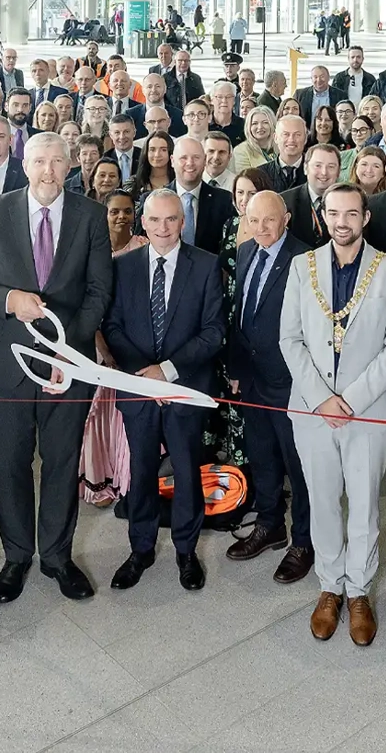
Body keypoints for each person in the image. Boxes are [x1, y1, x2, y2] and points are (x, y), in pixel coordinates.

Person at [0, 132, 114, 605]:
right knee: (8, 464)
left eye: (57, 162)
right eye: (39, 162)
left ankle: (56, 556)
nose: (48, 171)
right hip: (8, 366)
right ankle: (17, 556)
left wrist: (68, 349)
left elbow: (98, 292)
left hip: (67, 366)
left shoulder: (90, 215)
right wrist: (10, 300)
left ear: (71, 167)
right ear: (24, 165)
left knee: (62, 461)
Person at [277, 182, 386, 646]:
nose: (342, 222)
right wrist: (322, 398)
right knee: (322, 500)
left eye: (351, 213)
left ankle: (359, 591)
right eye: (333, 213)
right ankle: (329, 587)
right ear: (322, 217)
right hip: (313, 410)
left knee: (365, 505)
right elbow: (289, 340)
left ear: (365, 218)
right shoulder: (301, 266)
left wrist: (351, 399)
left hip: (368, 410)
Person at [100, 190, 225, 592]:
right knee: (140, 471)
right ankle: (141, 548)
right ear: (143, 222)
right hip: (137, 389)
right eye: (155, 220)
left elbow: (213, 332)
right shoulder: (124, 267)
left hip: (184, 388)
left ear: (183, 222)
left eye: (171, 219)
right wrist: (143, 374)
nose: (163, 228)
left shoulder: (205, 266)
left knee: (187, 471)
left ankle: (186, 551)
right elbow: (113, 326)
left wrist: (166, 371)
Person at [224, 191, 314, 581]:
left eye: (269, 220)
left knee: (300, 466)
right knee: (262, 454)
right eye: (254, 220)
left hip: (292, 381)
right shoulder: (245, 252)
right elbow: (243, 314)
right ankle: (270, 523)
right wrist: (237, 368)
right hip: (254, 380)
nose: (261, 228)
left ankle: (304, 541)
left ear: (287, 218)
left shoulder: (307, 259)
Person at [170, 135, 234, 253]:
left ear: (205, 160)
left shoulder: (225, 201)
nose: (190, 163)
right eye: (183, 158)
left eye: (196, 157)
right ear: (172, 161)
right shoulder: (154, 200)